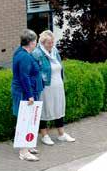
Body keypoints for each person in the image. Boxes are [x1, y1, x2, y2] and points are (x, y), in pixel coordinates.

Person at [32, 30, 75, 146]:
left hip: (58, 85)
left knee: (58, 108)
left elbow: (60, 67)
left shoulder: (55, 51)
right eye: (49, 43)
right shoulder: (37, 53)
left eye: (52, 42)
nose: (51, 45)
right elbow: (34, 71)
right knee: (46, 109)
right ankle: (44, 135)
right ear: (43, 43)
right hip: (46, 87)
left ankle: (61, 134)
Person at [11, 29, 43, 162]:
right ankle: (24, 152)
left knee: (27, 120)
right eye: (35, 41)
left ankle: (27, 146)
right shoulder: (24, 56)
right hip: (24, 93)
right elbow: (24, 77)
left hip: (24, 91)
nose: (36, 43)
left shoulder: (20, 52)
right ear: (30, 42)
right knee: (25, 120)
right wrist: (30, 95)